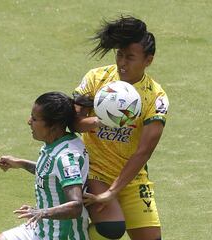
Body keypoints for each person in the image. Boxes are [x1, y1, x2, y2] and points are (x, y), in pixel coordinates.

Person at [73, 16, 169, 240]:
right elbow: (74, 122)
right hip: (95, 172)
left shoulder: (156, 97)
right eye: (120, 55)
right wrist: (100, 120)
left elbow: (144, 150)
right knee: (111, 230)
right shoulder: (96, 78)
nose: (122, 63)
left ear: (148, 60)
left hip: (132, 178)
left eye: (130, 57)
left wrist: (113, 191)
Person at [0, 92, 90, 240]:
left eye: (35, 119)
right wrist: (21, 163)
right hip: (39, 229)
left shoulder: (66, 157)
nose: (29, 121)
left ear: (54, 125)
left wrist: (41, 212)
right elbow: (52, 174)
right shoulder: (58, 143)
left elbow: (75, 205)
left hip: (59, 236)